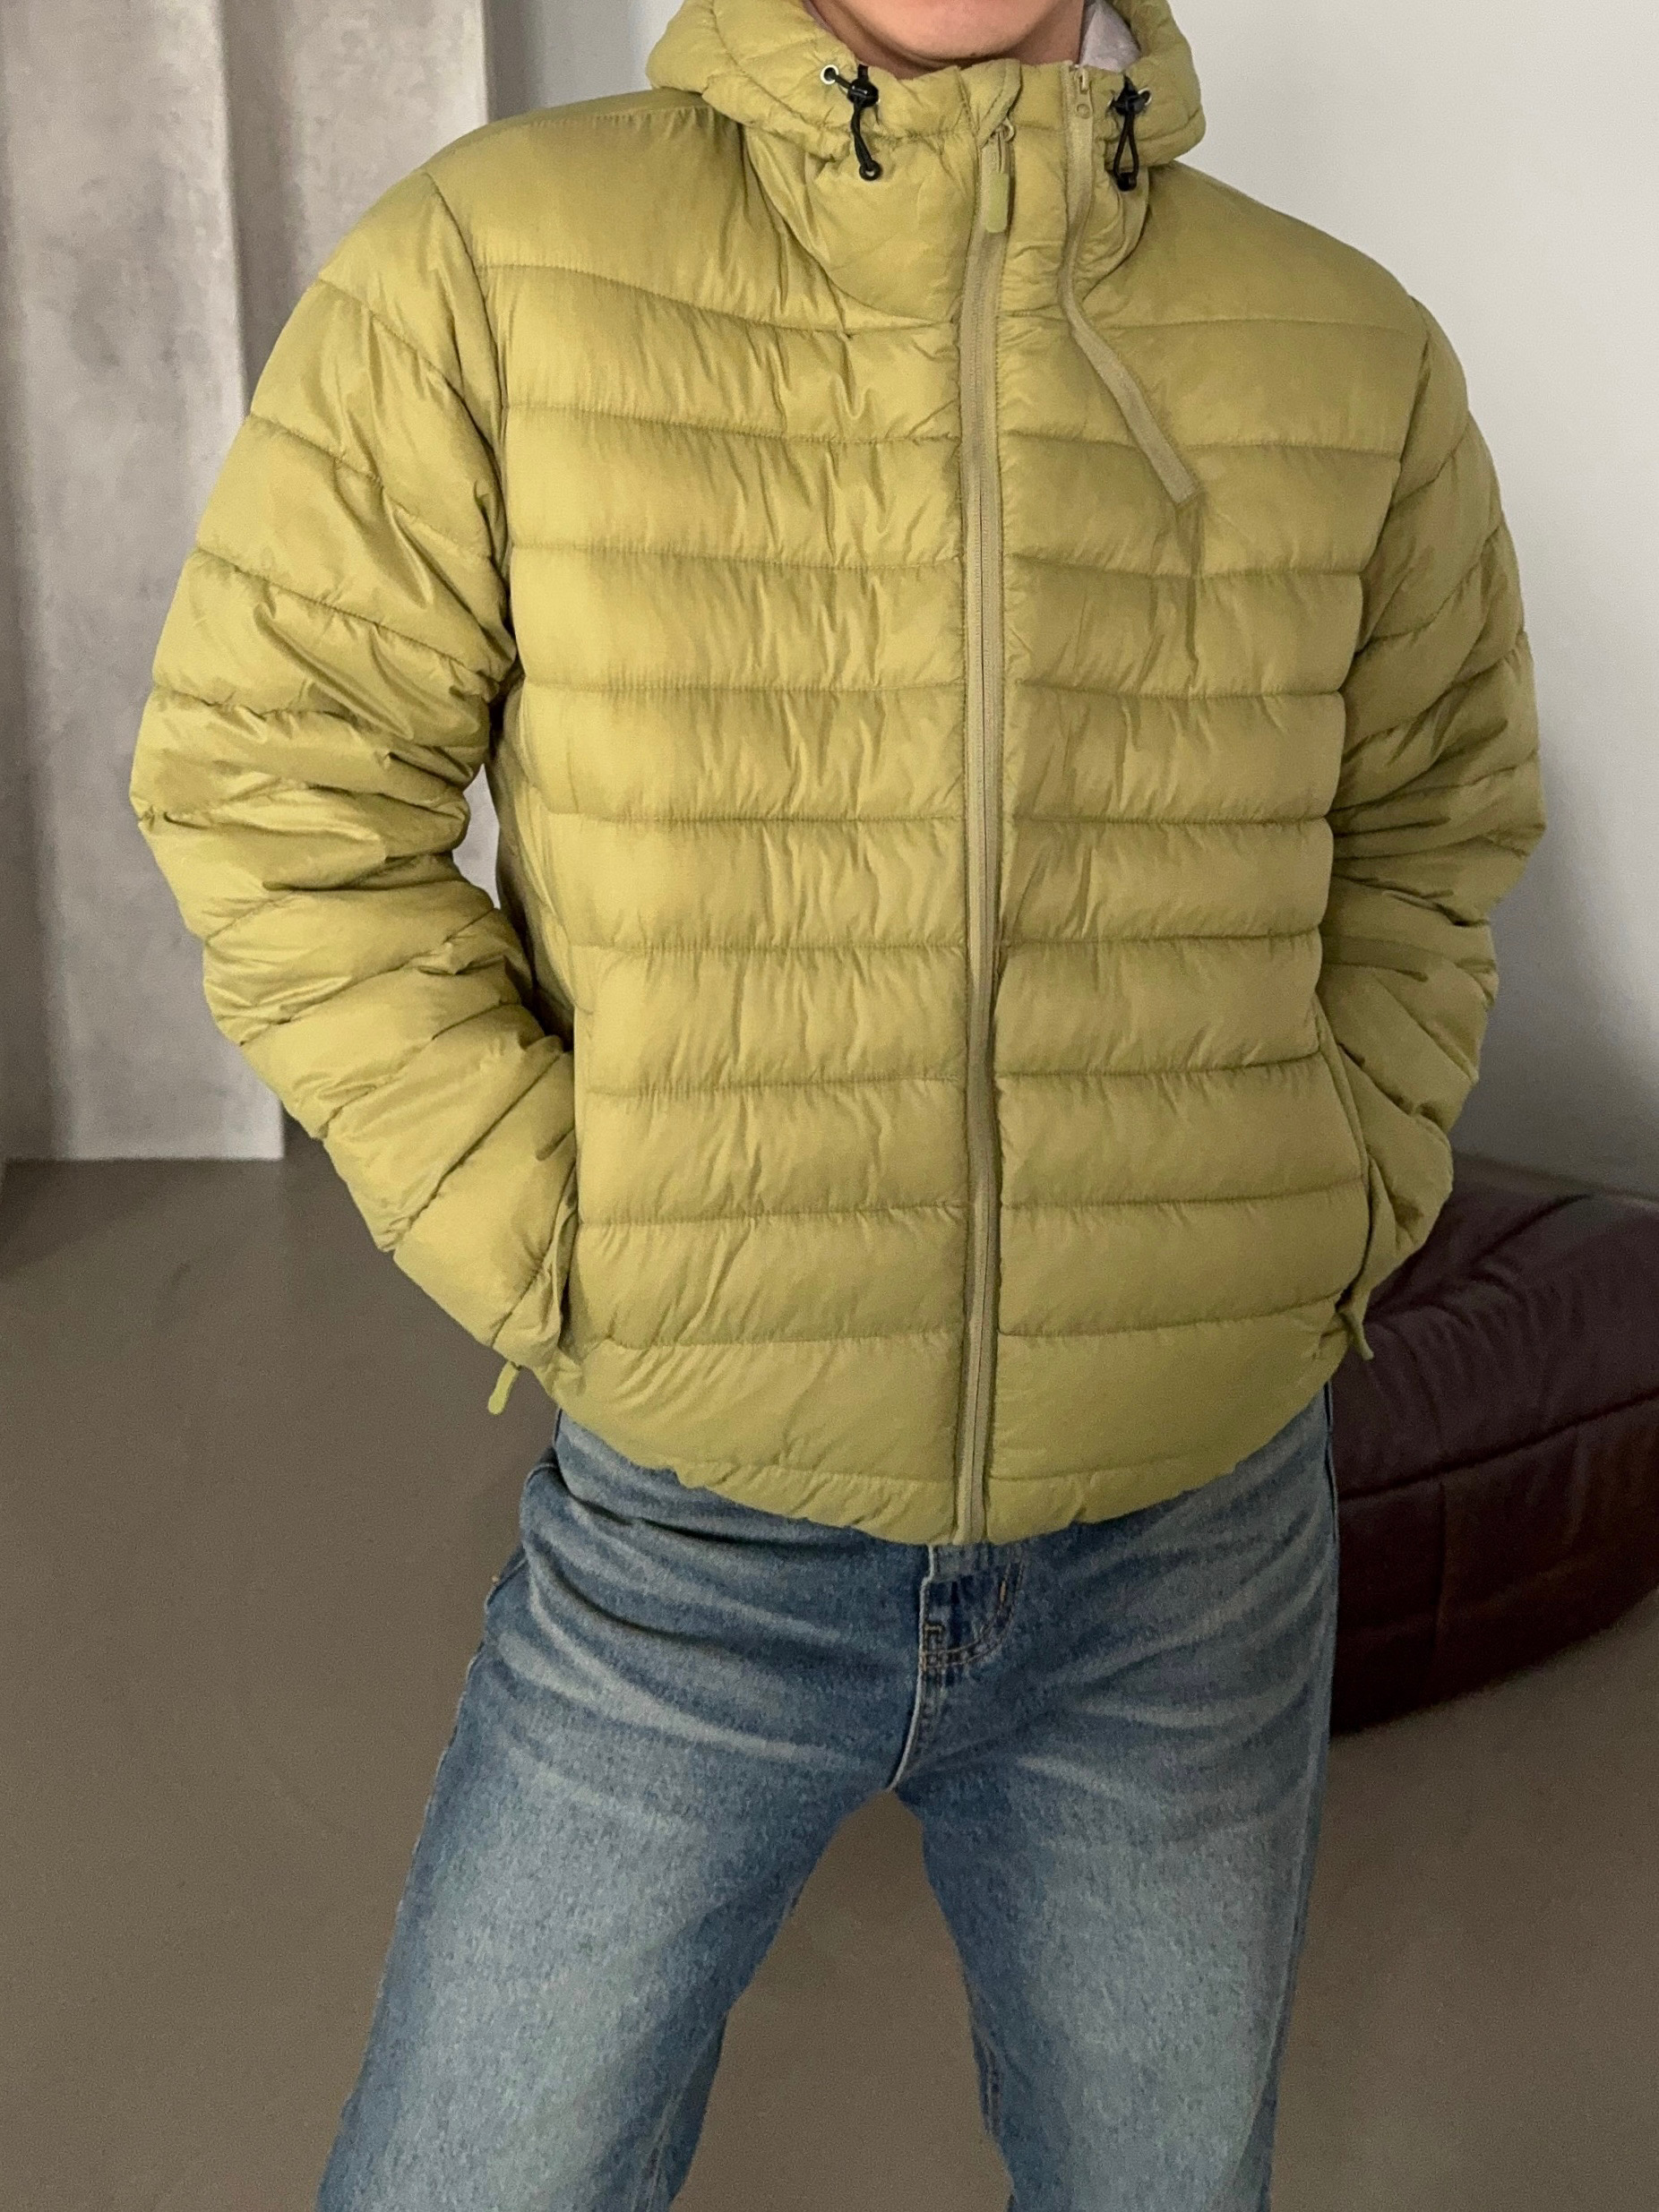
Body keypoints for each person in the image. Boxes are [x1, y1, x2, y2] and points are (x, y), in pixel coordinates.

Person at [128, 0, 1546, 2202]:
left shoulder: (1349, 348)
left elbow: (1432, 827)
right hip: (694, 1533)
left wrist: (1331, 1194)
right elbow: (270, 788)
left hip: (1192, 1533)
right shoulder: (490, 264)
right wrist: (563, 1237)